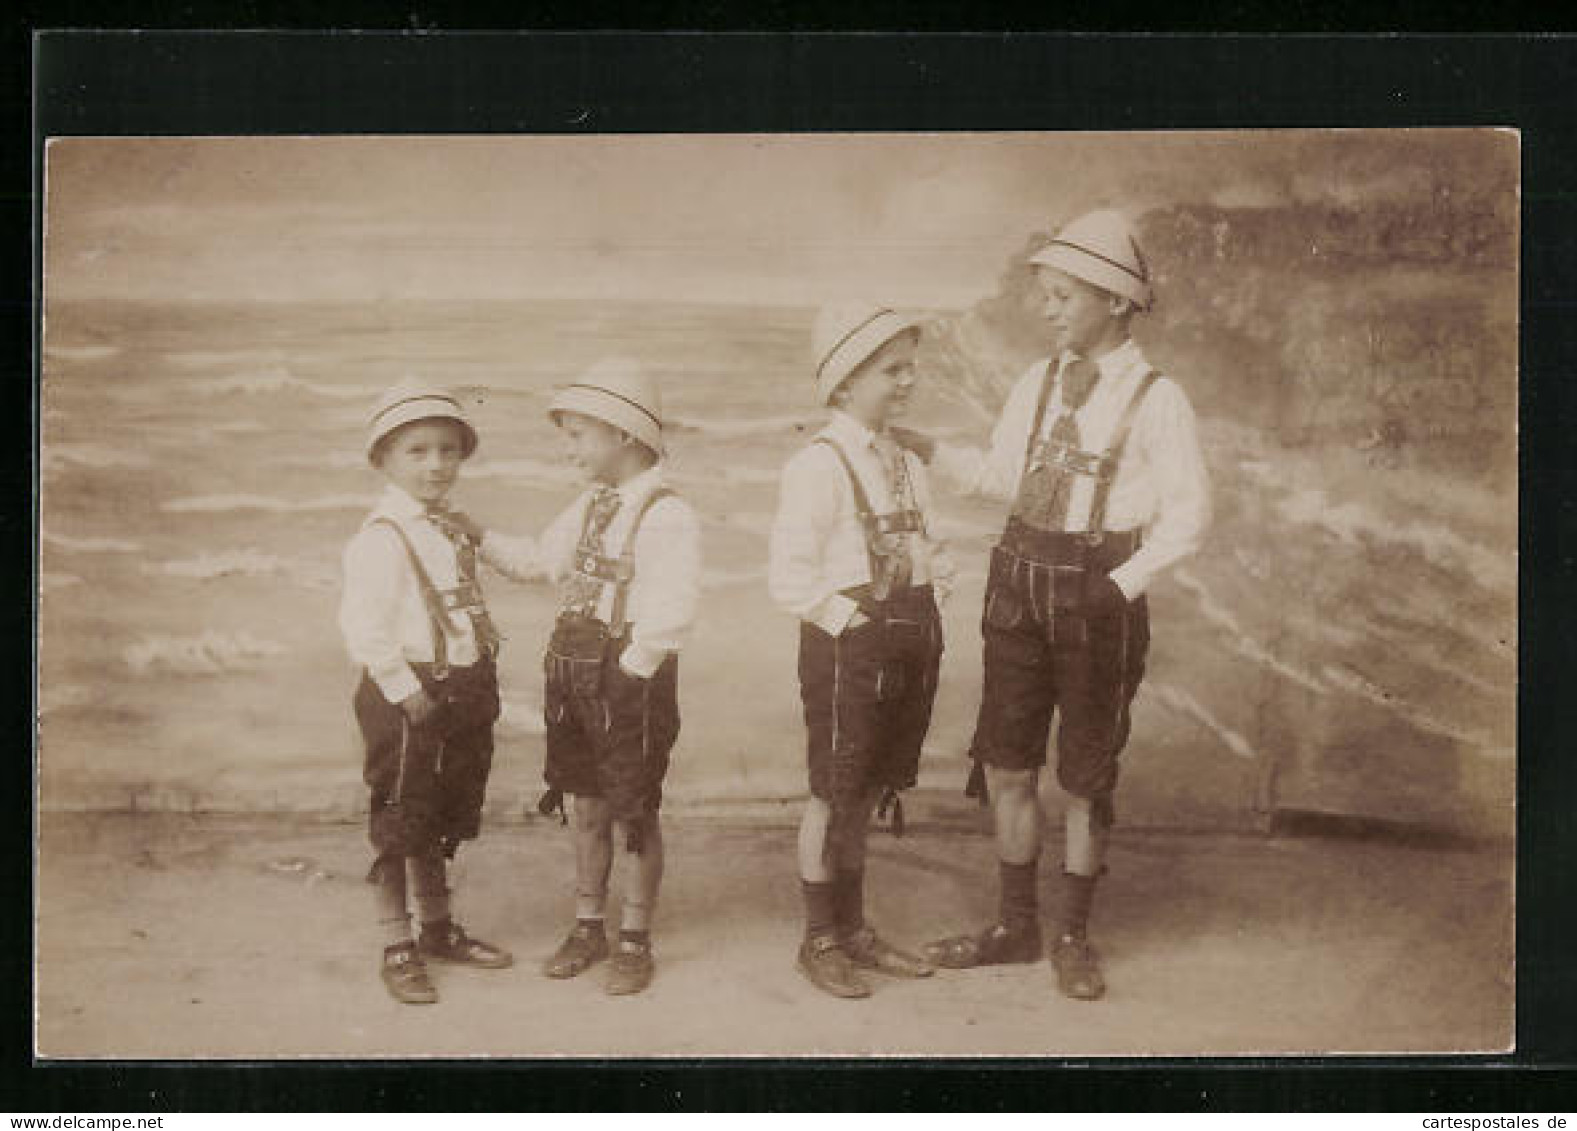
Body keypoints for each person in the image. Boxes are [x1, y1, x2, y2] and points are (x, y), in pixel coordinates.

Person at [896, 210, 1211, 1000]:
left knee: (1083, 777)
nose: (1047, 308)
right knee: (1005, 763)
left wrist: (1115, 588)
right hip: (1015, 583)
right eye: (1044, 294)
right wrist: (916, 444)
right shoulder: (1036, 381)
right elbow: (1000, 479)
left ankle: (1071, 934)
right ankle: (1015, 925)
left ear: (1111, 299)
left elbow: (1189, 517)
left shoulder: (1157, 398)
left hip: (1095, 595)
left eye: (1062, 294)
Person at [451, 358, 702, 997]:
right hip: (571, 676)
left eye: (577, 435)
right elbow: (539, 562)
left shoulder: (667, 513)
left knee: (634, 813)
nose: (569, 449)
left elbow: (671, 613)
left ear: (622, 433)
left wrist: (630, 671)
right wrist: (475, 534)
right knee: (584, 806)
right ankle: (589, 924)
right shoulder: (591, 505)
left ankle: (635, 937)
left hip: (628, 686)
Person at [768, 302, 956, 999]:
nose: (907, 380)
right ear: (844, 382)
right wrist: (853, 624)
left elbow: (929, 545)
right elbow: (789, 573)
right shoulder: (816, 465)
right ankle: (819, 937)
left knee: (872, 788)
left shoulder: (905, 459)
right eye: (891, 369)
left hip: (911, 636)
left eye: (910, 367)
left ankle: (853, 928)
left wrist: (930, 601)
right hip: (850, 646)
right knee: (834, 789)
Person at [339, 381, 515, 1006]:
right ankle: (397, 943)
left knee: (439, 815)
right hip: (408, 695)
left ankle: (438, 930)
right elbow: (364, 627)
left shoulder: (448, 527)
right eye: (417, 451)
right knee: (399, 817)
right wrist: (404, 692)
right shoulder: (382, 536)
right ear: (383, 460)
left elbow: (491, 579)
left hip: (463, 688)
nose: (437, 464)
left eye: (448, 450)